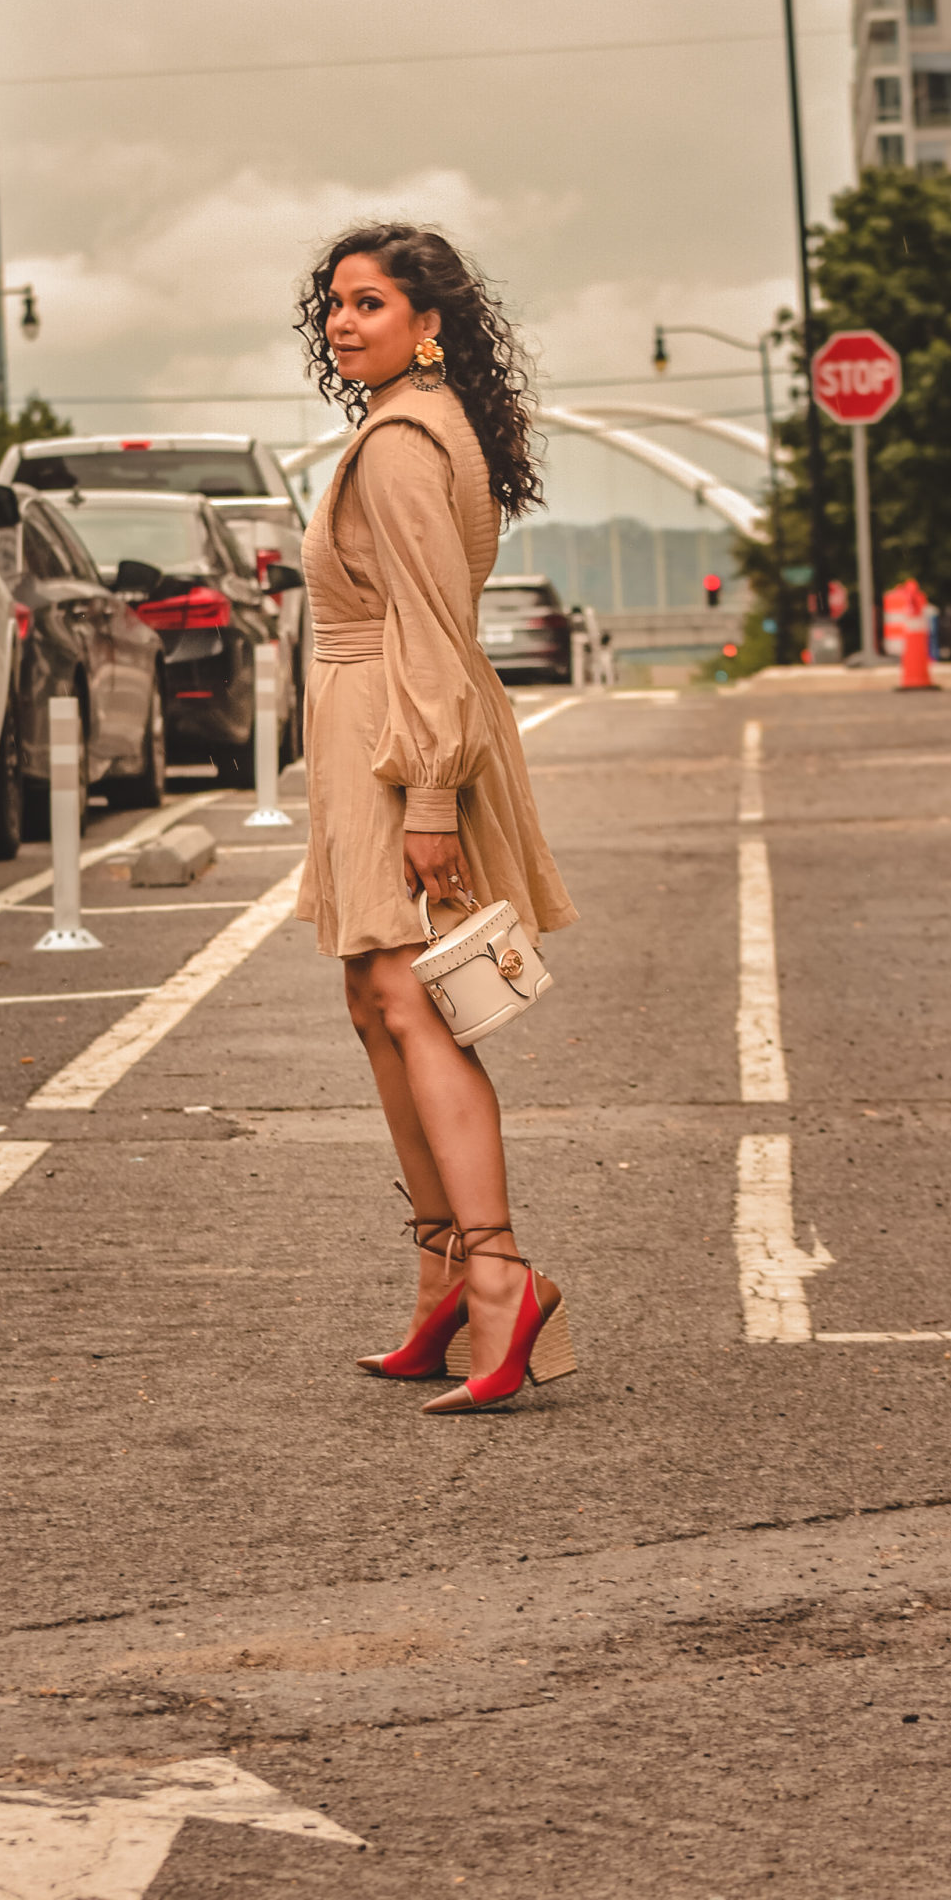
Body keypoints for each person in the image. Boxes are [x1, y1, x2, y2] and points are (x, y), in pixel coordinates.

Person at [293, 223, 578, 1414]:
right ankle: (441, 1276)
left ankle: (501, 1274)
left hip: (391, 737)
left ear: (431, 322)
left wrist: (426, 795)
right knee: (378, 997)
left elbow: (425, 626)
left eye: (369, 303)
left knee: (411, 1003)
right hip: (370, 731)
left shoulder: (405, 441)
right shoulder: (409, 424)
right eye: (334, 305)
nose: (342, 323)